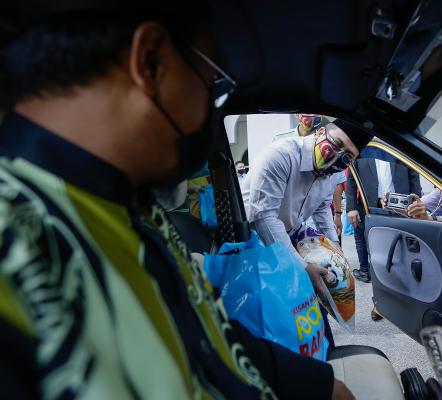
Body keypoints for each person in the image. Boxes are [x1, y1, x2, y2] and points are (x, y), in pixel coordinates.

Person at [0, 2, 354, 399]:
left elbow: (203, 332)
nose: (207, 110)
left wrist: (318, 385)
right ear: (150, 63)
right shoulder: (13, 241)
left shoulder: (132, 210)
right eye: (212, 86)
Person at [242, 120, 371, 344]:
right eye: (337, 144)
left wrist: (335, 248)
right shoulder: (280, 156)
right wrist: (302, 268)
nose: (338, 157)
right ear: (320, 132)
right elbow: (264, 218)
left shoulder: (331, 174)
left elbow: (321, 208)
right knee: (278, 314)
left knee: (313, 301)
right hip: (254, 239)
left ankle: (322, 349)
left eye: (348, 156)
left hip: (290, 233)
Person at [346, 155, 421, 321]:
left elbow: (413, 175)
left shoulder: (398, 149)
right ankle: (381, 304)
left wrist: (417, 202)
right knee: (376, 257)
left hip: (401, 207)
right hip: (371, 208)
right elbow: (351, 180)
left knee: (403, 255)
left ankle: (408, 301)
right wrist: (351, 207)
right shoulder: (362, 150)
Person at [275, 114, 346, 236]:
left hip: (312, 222)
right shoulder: (281, 141)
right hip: (281, 223)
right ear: (296, 114)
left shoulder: (331, 149)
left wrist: (337, 215)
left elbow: (330, 193)